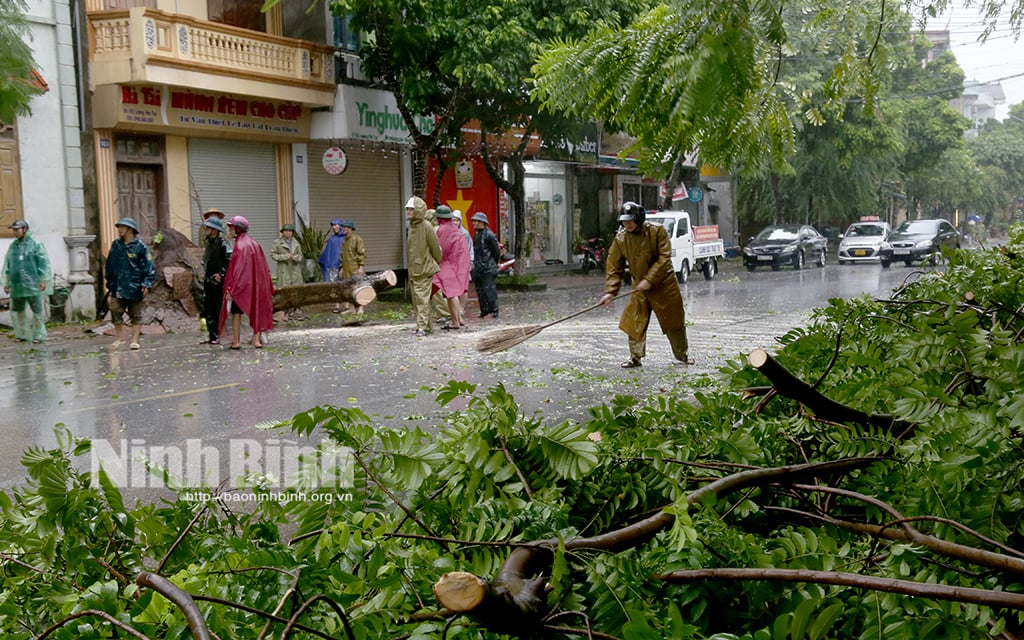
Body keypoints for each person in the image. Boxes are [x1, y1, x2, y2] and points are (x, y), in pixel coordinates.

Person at [599, 202, 691, 368]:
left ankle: (682, 355)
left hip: (665, 284)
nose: (627, 224)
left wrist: (649, 279)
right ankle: (635, 357)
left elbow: (664, 258)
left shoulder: (657, 231)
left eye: (630, 221)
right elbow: (613, 266)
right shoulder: (621, 239)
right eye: (624, 221)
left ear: (639, 218)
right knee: (634, 321)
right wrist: (610, 292)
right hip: (639, 286)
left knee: (674, 321)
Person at [219, 215, 274, 349]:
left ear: (237, 229)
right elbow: (264, 267)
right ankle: (256, 340)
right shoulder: (254, 243)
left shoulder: (240, 245)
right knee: (256, 309)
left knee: (236, 312)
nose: (230, 231)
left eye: (231, 228)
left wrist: (231, 289)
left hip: (242, 286)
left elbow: (237, 270)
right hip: (255, 285)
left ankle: (236, 341)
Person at [105, 217, 156, 350]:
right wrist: (110, 283)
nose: (119, 230)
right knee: (115, 310)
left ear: (130, 229)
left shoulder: (141, 247)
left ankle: (134, 340)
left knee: (136, 314)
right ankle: (120, 337)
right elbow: (109, 264)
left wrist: (147, 283)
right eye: (119, 227)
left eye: (122, 227)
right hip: (118, 286)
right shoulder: (116, 245)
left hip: (135, 286)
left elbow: (149, 266)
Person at [2, 219, 52, 343]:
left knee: (36, 311)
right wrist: (7, 282)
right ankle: (22, 334)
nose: (15, 232)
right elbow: (8, 265)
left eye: (17, 230)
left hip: (33, 284)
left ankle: (39, 335)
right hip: (17, 284)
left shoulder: (35, 244)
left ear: (24, 230)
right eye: (13, 230)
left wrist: (43, 279)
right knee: (17, 310)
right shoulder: (13, 246)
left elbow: (43, 263)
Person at [405, 197, 441, 337]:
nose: (408, 211)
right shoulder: (412, 226)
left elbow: (435, 248)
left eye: (411, 209)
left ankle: (422, 327)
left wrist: (432, 262)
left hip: (424, 269)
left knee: (422, 299)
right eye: (407, 209)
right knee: (418, 299)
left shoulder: (426, 226)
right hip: (414, 269)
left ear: (418, 210)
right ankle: (427, 325)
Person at [432, 206, 470, 330]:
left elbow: (440, 249)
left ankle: (455, 321)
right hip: (459, 263)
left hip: (447, 264)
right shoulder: (455, 229)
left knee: (451, 294)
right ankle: (458, 318)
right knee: (454, 292)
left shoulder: (442, 230)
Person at [200, 216, 230, 344]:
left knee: (217, 308)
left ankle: (218, 335)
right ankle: (212, 335)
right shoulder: (208, 242)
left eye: (209, 227)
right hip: (208, 280)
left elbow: (229, 259)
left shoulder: (223, 243)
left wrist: (222, 273)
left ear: (215, 230)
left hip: (218, 282)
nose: (206, 229)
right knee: (208, 308)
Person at [470, 211, 500, 319]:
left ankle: (494, 311)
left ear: (481, 222)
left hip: (487, 267)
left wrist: (492, 263)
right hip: (479, 267)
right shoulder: (477, 234)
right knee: (480, 291)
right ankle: (484, 310)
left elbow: (496, 251)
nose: (473, 223)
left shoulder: (489, 235)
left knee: (489, 290)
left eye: (475, 221)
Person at [339, 219, 366, 313]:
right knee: (349, 289)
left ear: (350, 228)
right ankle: (351, 309)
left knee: (358, 288)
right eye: (343, 227)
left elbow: (361, 253)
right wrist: (342, 268)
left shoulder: (357, 239)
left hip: (355, 268)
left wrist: (361, 266)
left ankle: (361, 308)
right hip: (346, 269)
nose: (343, 229)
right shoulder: (344, 241)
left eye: (345, 227)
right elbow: (342, 255)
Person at [319, 218, 345, 312]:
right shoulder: (331, 239)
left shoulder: (345, 238)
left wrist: (343, 266)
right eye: (333, 226)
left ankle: (346, 305)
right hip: (332, 266)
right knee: (336, 286)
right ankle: (337, 305)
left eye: (336, 225)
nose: (334, 227)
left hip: (343, 266)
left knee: (345, 285)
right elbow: (328, 253)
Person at [453, 211, 473, 316]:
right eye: (453, 220)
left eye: (456, 220)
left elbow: (470, 249)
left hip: (463, 263)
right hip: (453, 264)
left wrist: (470, 262)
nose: (455, 222)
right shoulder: (450, 233)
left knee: (464, 287)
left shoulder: (465, 234)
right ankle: (455, 308)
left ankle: (461, 308)